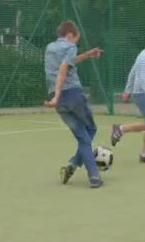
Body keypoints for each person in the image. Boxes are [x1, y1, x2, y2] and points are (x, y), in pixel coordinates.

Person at [44, 20, 104, 188]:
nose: (76, 44)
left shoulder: (50, 48)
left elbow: (68, 63)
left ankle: (74, 168)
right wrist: (57, 96)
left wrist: (88, 54)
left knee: (82, 136)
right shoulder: (70, 47)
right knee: (90, 130)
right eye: (76, 39)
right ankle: (92, 175)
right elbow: (63, 69)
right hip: (71, 95)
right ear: (70, 35)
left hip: (58, 99)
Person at [110, 31, 145, 164]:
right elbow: (142, 78)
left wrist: (127, 89)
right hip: (144, 95)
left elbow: (133, 72)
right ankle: (121, 129)